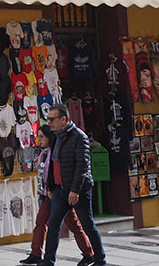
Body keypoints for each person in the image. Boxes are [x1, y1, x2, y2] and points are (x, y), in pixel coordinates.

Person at [40, 103, 106, 266]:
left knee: (87, 225)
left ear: (63, 119)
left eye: (52, 119)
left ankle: (100, 259)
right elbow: (53, 164)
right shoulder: (56, 136)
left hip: (79, 190)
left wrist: (75, 190)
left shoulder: (79, 137)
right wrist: (51, 186)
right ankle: (48, 261)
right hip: (60, 191)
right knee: (54, 225)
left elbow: (82, 166)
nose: (49, 123)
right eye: (48, 119)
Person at [20, 124, 95, 266]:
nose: (39, 140)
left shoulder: (56, 152)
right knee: (40, 223)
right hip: (46, 195)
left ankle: (89, 253)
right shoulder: (43, 153)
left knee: (74, 225)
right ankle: (36, 253)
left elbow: (58, 173)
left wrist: (57, 189)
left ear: (49, 137)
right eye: (38, 137)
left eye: (41, 137)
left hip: (59, 195)